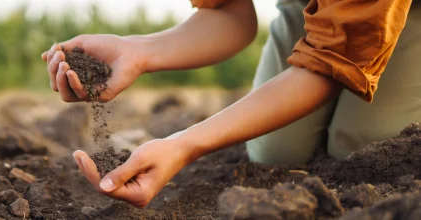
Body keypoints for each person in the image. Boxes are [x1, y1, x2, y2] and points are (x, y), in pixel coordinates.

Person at [41, 0, 421, 208]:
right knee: (276, 151)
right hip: (314, 9)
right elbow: (229, 14)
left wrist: (184, 144)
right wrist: (138, 50)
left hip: (398, 12)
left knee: (362, 148)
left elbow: (327, 67)